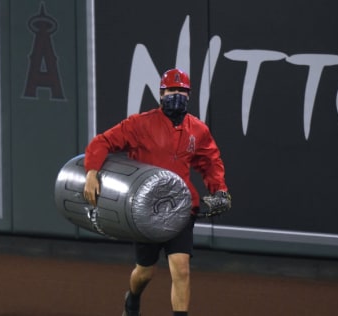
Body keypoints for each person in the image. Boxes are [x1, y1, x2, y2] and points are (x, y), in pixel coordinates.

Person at [83, 68, 230, 316]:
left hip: (180, 206)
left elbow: (210, 162)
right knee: (145, 271)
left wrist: (220, 190)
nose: (177, 95)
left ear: (189, 94)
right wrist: (91, 172)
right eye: (172, 91)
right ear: (161, 94)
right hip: (145, 209)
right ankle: (133, 297)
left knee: (181, 267)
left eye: (182, 91)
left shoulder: (198, 130)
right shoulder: (140, 124)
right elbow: (103, 142)